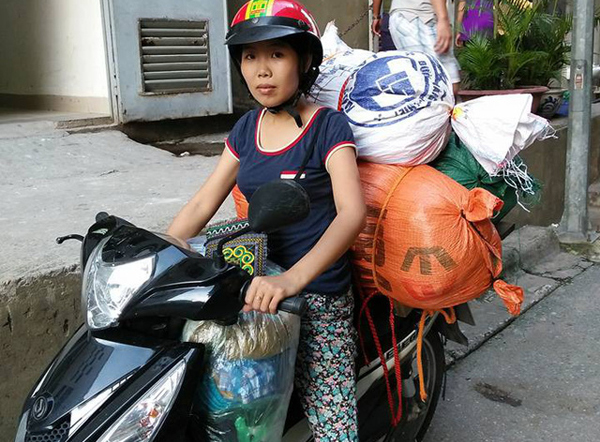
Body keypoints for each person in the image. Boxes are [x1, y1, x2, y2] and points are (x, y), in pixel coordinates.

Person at [167, 1, 366, 440]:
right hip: (255, 286)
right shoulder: (245, 129)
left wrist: (292, 279)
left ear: (305, 61)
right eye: (250, 56)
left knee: (332, 420)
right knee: (226, 410)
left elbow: (352, 213)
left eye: (276, 54)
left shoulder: (328, 127)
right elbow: (203, 203)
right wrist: (162, 249)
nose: (262, 70)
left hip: (315, 291)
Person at [372, 0, 462, 93]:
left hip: (413, 17)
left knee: (449, 78)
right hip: (415, 17)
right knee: (443, 80)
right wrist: (443, 19)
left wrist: (376, 16)